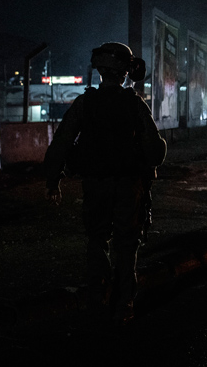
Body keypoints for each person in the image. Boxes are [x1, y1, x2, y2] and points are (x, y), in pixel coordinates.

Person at [43, 42, 166, 325]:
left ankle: (97, 300)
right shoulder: (134, 104)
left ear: (99, 70)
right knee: (127, 245)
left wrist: (53, 180)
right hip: (128, 185)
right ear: (125, 72)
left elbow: (61, 143)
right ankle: (125, 304)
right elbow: (155, 154)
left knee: (96, 240)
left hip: (95, 185)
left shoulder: (85, 103)